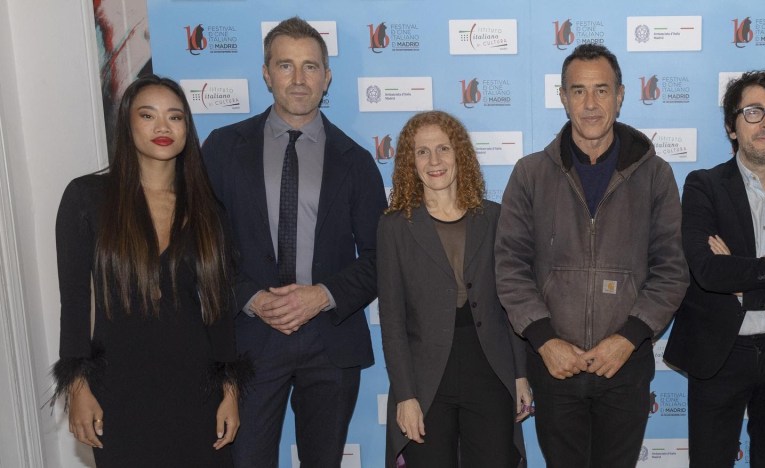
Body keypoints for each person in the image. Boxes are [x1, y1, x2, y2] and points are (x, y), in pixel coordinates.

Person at [201, 17, 387, 467]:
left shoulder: (356, 161)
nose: (299, 79)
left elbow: (381, 257)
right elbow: (202, 248)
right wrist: (251, 298)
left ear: (327, 77)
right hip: (247, 340)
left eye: (310, 66)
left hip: (330, 340)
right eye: (286, 65)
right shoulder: (223, 149)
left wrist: (321, 296)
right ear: (267, 74)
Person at [494, 43, 688, 467]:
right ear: (563, 98)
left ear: (620, 96)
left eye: (602, 90)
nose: (590, 103)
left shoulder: (655, 175)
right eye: (578, 91)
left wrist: (629, 338)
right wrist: (545, 341)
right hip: (554, 365)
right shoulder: (530, 174)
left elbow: (672, 270)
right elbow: (510, 267)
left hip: (624, 365)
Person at [52, 75, 248, 467]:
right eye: (148, 115)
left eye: (175, 117)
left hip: (196, 392)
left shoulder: (209, 212)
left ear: (186, 129)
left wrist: (229, 391)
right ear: (127, 123)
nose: (163, 126)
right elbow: (74, 302)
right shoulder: (87, 199)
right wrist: (77, 387)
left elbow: (219, 310)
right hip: (118, 391)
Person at [662, 70, 765, 467]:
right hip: (719, 352)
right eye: (753, 111)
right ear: (731, 126)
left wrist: (744, 286)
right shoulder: (703, 186)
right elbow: (707, 271)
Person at [377, 110, 532, 468]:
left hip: (490, 370)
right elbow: (392, 321)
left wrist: (520, 374)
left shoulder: (494, 217)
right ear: (410, 162)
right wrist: (405, 395)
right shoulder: (394, 227)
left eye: (443, 149)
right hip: (426, 380)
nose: (434, 161)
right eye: (422, 151)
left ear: (459, 154)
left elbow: (511, 303)